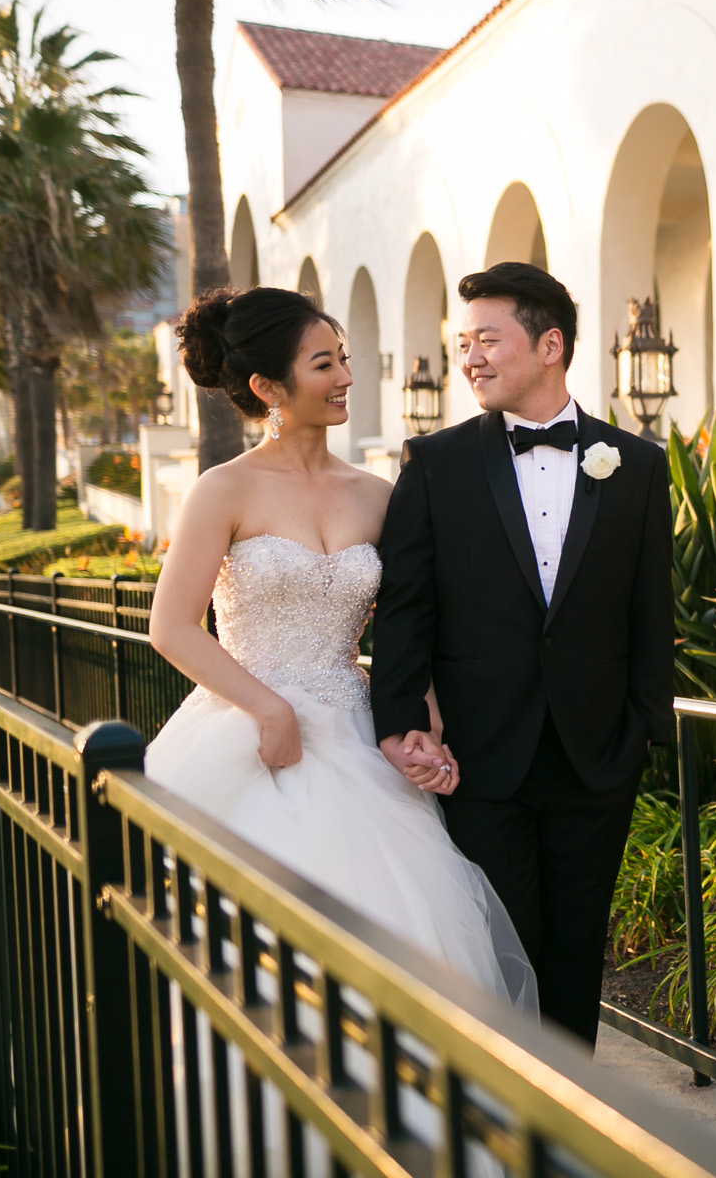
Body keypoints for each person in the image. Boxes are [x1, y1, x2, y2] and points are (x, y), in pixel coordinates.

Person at [146, 286, 535, 1011]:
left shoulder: (377, 494)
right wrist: (267, 709)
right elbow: (170, 625)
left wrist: (425, 725)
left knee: (400, 945)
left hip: (355, 734)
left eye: (344, 358)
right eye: (325, 363)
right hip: (246, 733)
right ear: (267, 387)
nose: (347, 376)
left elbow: (409, 630)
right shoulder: (220, 491)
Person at [370, 261, 674, 1048]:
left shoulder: (636, 466)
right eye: (461, 341)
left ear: (549, 344)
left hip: (596, 757)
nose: (469, 356)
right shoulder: (434, 465)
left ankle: (569, 1137)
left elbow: (651, 611)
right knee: (497, 956)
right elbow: (405, 612)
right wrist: (402, 722)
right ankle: (501, 1122)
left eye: (486, 339)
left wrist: (644, 731)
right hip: (477, 757)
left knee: (577, 954)